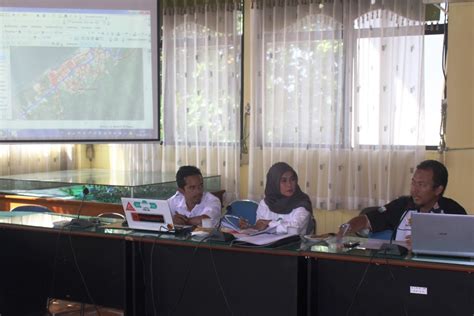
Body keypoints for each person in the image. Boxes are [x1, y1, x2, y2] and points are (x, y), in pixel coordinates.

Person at [338, 159, 467, 242]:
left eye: (421, 185)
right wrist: (347, 227)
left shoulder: (453, 211)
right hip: (399, 270)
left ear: (438, 189)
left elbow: (464, 243)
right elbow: (366, 220)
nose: (414, 190)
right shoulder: (402, 205)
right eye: (413, 183)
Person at [248, 162, 315, 235]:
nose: (289, 185)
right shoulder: (265, 204)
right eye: (284, 181)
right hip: (267, 245)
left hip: (295, 245)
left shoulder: (302, 202)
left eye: (292, 179)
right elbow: (260, 227)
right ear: (274, 183)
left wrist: (269, 223)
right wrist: (249, 227)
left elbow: (294, 228)